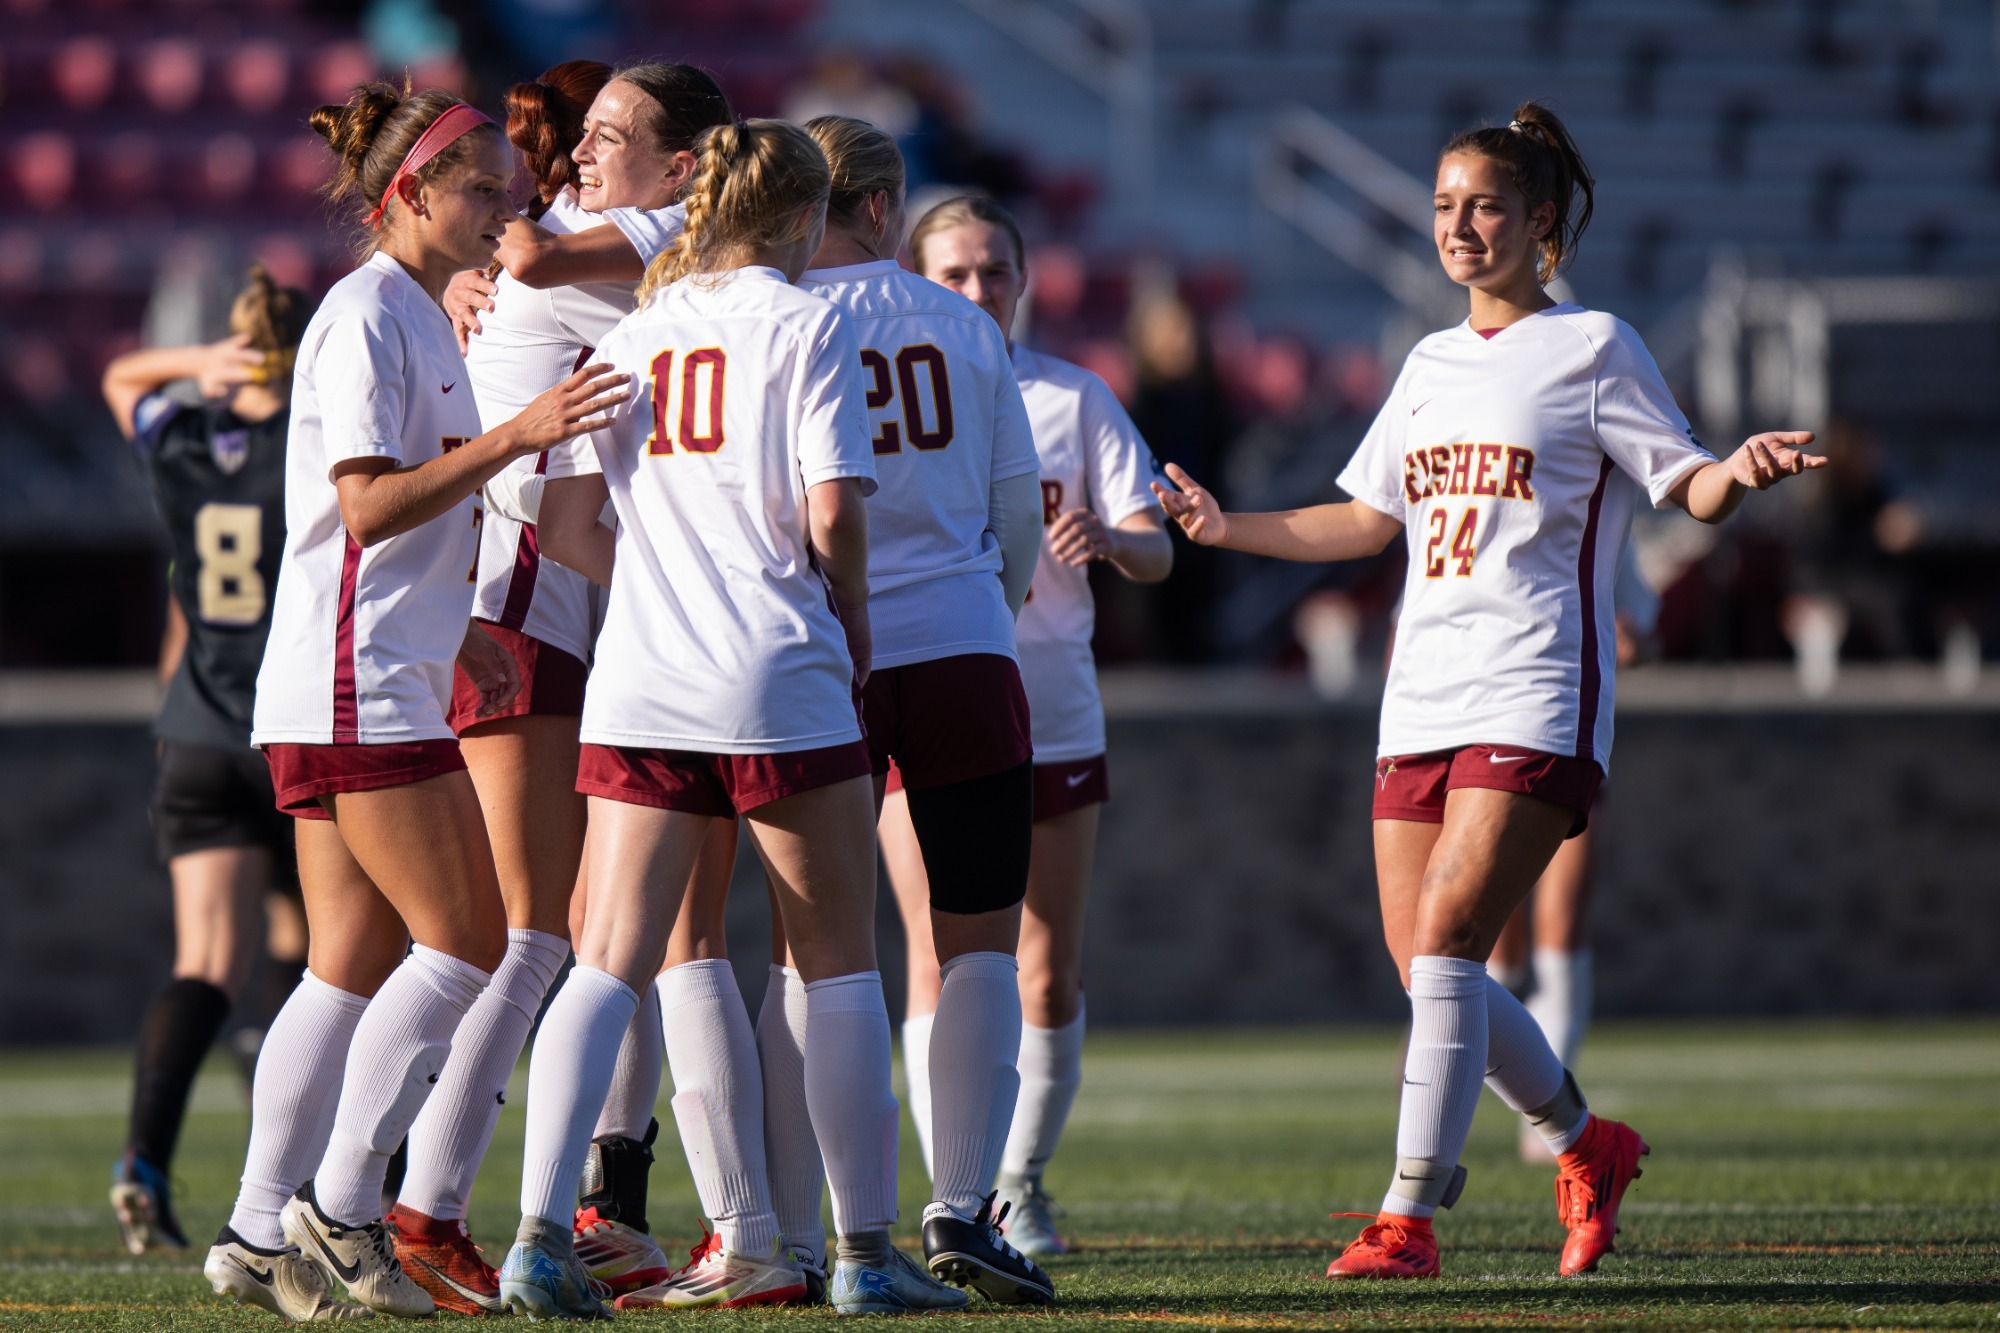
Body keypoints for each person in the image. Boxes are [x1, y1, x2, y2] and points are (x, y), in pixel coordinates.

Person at [1154, 101, 1823, 1281]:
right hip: (1420, 691)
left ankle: (1406, 1215)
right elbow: (1365, 520)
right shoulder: (1424, 362)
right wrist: (1223, 527)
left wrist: (1738, 470)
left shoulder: (1594, 347)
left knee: (1455, 937)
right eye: (1443, 207)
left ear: (1540, 225)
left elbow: (1686, 486)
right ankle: (1585, 1141)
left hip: (1534, 684)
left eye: (1484, 207)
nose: (1458, 227)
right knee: (1425, 964)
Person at [515, 115, 963, 1320]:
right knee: (834, 967)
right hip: (778, 670)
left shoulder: (643, 326)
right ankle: (863, 1254)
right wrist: (855, 625)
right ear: (807, 217)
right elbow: (832, 517)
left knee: (606, 961)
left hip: (644, 677)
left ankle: (537, 1237)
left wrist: (669, 577)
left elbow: (566, 528)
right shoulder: (807, 321)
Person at [202, 82, 628, 1322]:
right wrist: (521, 435)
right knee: (470, 940)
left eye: (504, 185)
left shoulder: (421, 315)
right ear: (410, 196)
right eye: (482, 187)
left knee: (346, 962)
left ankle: (248, 1222)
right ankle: (338, 1213)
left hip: (372, 664)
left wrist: (468, 633)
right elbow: (370, 506)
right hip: (353, 676)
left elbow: (408, 522)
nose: (506, 204)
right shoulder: (368, 315)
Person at [386, 59, 733, 1314]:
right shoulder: (654, 239)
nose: (573, 162)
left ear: (680, 157)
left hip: (528, 600)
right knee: (535, 937)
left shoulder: (648, 241)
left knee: (577, 936)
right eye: (567, 139)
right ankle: (415, 1204)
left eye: (598, 138)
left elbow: (527, 264)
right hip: (526, 596)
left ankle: (589, 1206)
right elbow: (530, 260)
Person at [882, 195, 1172, 1256]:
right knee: (933, 950)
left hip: (1051, 707)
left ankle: (1015, 1182)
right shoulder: (891, 391)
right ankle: (951, 1195)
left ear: (1024, 279)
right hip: (930, 700)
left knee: (1043, 964)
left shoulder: (1071, 398)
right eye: (951, 273)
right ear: (914, 277)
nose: (973, 292)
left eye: (992, 272)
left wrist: (1111, 535)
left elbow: (1157, 552)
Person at [102, 266, 317, 1257]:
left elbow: (122, 382)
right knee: (330, 959)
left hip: (196, 728)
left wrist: (198, 368)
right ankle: (322, 1178)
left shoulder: (186, 439)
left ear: (236, 351)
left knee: (206, 960)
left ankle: (144, 1157)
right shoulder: (308, 447)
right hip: (296, 726)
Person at [1488, 542, 1658, 1162]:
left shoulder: (1604, 528)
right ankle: (1437, 1078)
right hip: (1483, 752)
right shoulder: (1477, 507)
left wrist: (1631, 644)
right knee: (1486, 960)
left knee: (1560, 938)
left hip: (1567, 744)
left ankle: (1554, 1130)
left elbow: (1643, 628)